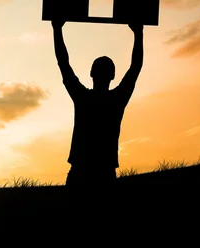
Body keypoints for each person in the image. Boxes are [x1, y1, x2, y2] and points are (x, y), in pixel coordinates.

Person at [52, 20, 144, 188]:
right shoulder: (116, 99)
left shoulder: (83, 97)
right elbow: (135, 67)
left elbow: (63, 64)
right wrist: (138, 33)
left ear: (92, 73)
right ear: (113, 76)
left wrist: (57, 29)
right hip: (102, 173)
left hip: (85, 172)